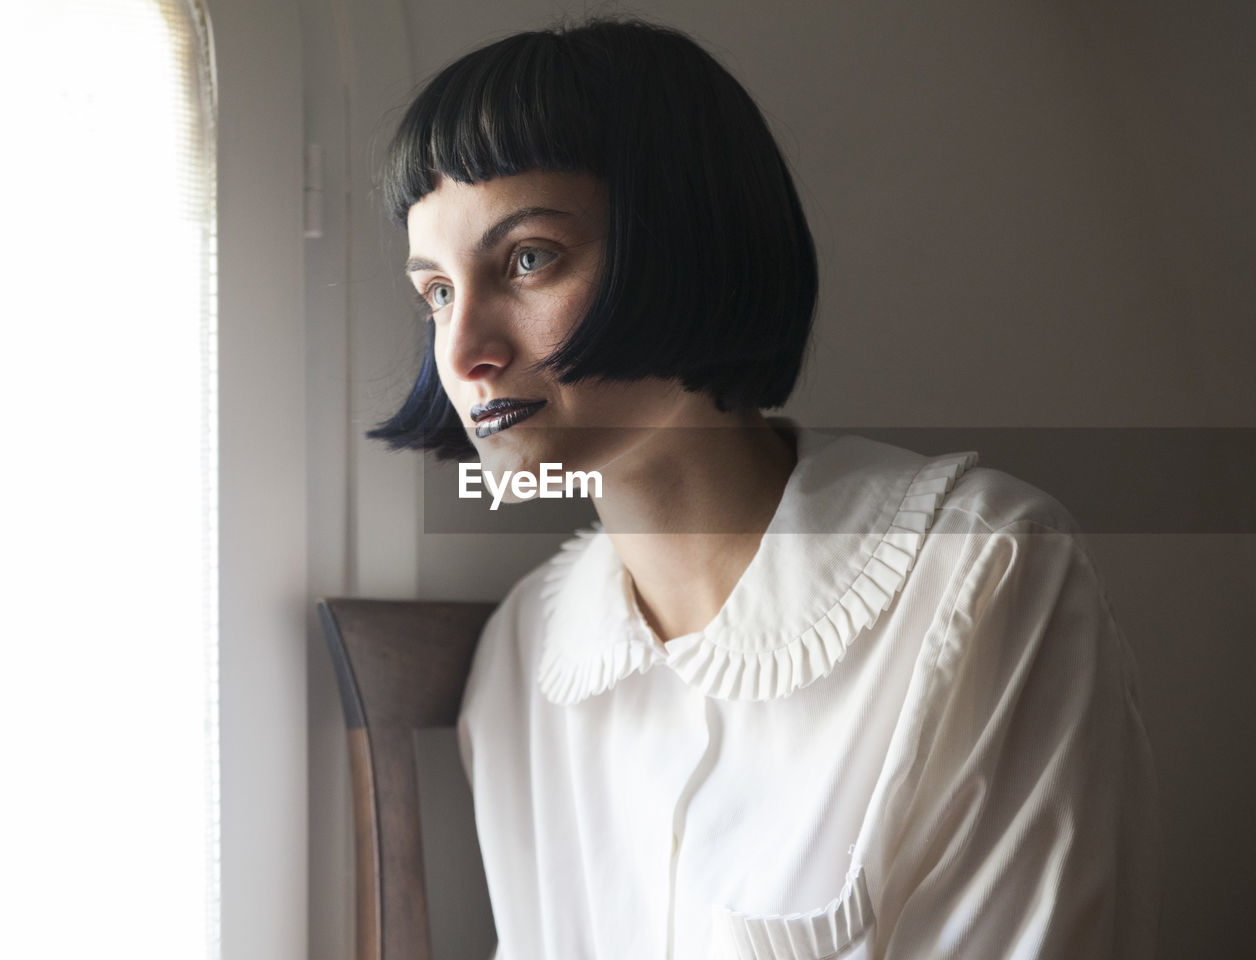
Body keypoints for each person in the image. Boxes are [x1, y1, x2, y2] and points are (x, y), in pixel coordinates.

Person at [370, 18, 1159, 960]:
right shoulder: (521, 662)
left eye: (529, 258)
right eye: (437, 293)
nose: (463, 354)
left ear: (688, 244)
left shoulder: (986, 572)